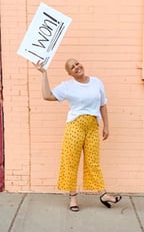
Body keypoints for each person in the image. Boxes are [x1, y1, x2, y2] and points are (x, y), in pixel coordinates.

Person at [33, 58, 122, 212]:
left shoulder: (96, 82)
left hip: (93, 126)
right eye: (72, 67)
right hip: (75, 126)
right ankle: (73, 198)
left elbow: (103, 105)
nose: (76, 67)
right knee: (71, 162)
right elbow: (46, 95)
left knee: (93, 162)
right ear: (69, 73)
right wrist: (43, 73)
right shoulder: (67, 86)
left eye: (77, 64)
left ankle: (103, 194)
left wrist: (106, 126)